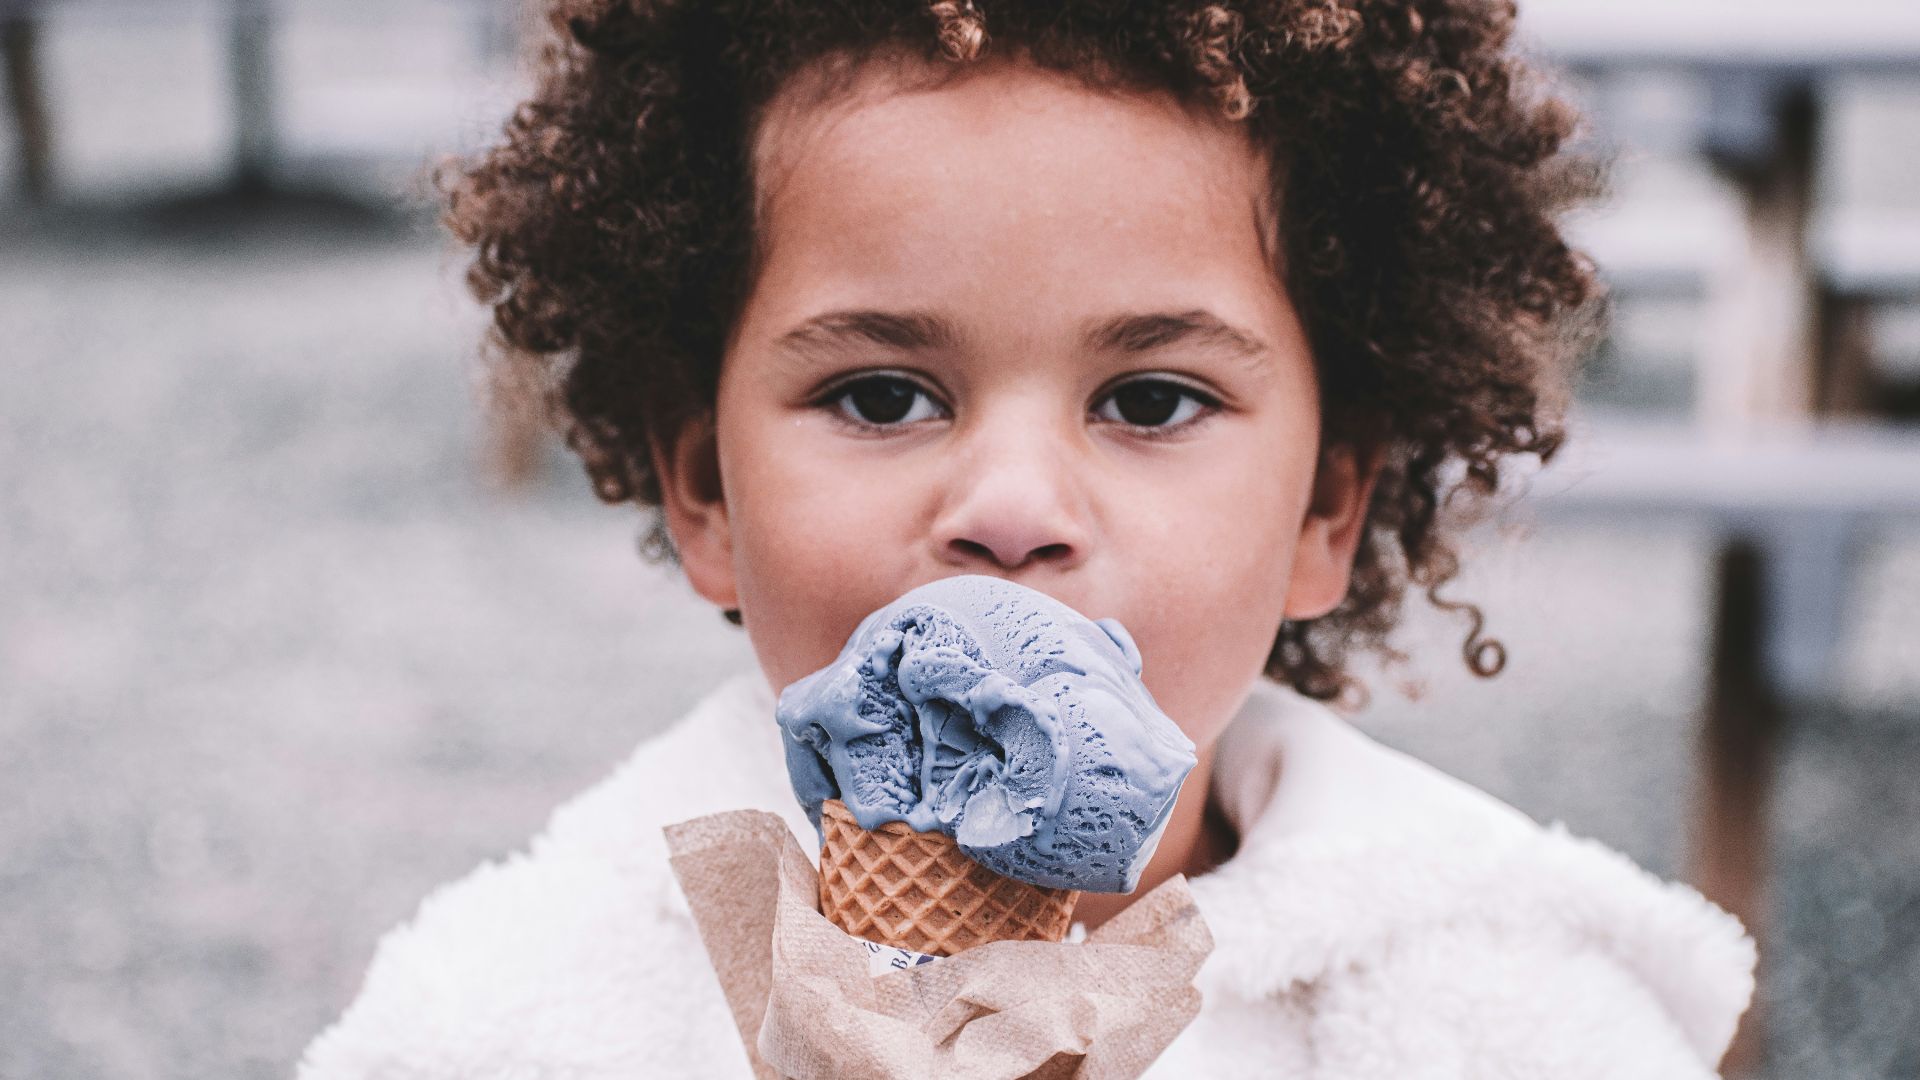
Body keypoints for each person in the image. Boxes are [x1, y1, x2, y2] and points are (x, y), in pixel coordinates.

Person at [298, 1, 1757, 1075]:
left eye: (1150, 399)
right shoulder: (524, 1014)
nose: (1009, 505)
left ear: (1328, 506)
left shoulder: (1505, 1016)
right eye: (881, 395)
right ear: (706, 493)